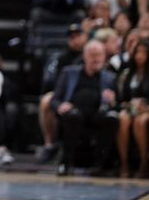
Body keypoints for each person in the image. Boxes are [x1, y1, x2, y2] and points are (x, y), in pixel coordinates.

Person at [52, 39, 119, 176]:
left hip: (97, 113)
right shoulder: (69, 73)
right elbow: (55, 99)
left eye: (99, 55)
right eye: (93, 55)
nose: (96, 59)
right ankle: (66, 163)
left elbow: (116, 103)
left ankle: (99, 165)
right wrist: (61, 106)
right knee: (73, 116)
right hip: (75, 112)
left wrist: (113, 101)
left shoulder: (109, 77)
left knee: (111, 118)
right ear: (85, 56)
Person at [36, 23, 88, 163]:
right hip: (64, 94)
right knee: (47, 101)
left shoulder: (90, 54)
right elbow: (52, 82)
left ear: (85, 37)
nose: (75, 39)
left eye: (78, 36)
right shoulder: (60, 58)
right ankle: (50, 144)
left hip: (85, 94)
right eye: (71, 37)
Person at [115, 39, 149, 177]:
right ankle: (124, 163)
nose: (139, 56)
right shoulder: (127, 72)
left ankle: (143, 162)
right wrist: (127, 104)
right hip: (130, 108)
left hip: (146, 109)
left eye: (143, 52)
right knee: (122, 118)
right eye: (137, 52)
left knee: (140, 122)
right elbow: (121, 97)